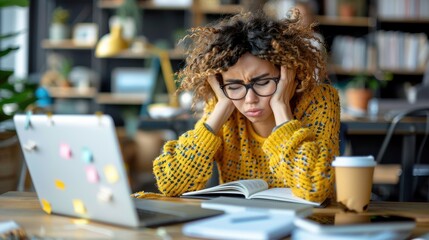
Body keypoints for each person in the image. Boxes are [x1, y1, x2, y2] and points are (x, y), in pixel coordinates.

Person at [135, 9, 340, 203]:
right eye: (234, 85)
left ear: (287, 74)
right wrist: (222, 107)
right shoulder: (225, 105)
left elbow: (315, 186)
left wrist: (281, 107)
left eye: (262, 82)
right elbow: (171, 184)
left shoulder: (319, 100)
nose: (249, 98)